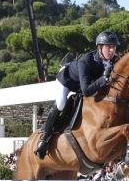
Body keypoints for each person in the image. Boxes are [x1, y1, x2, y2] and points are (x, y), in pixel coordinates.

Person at [34, 30, 120, 159]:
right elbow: (86, 90)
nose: (112, 50)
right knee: (61, 103)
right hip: (67, 81)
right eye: (109, 47)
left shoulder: (115, 60)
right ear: (100, 48)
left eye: (113, 47)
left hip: (86, 84)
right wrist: (103, 80)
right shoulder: (86, 60)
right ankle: (43, 138)